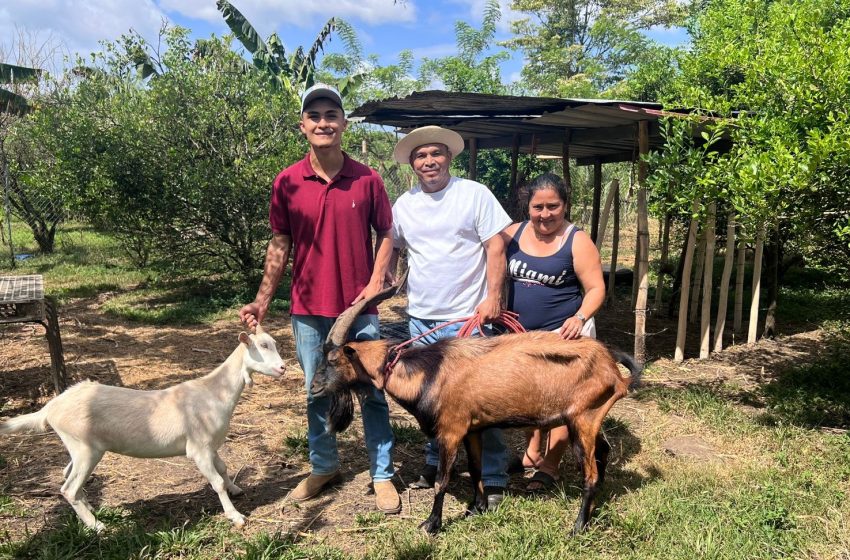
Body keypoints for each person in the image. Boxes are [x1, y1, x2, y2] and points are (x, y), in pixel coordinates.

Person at [239, 84, 401, 514]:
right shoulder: (288, 182)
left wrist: (376, 279)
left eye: (332, 114)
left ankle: (382, 474)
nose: (323, 122)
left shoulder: (367, 179)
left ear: (344, 124)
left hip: (359, 309)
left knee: (370, 390)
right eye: (315, 116)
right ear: (303, 126)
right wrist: (261, 300)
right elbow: (280, 242)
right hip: (308, 308)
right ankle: (324, 466)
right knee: (316, 391)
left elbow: (387, 232)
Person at [389, 125, 512, 508]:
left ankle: (492, 476)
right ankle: (435, 462)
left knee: (481, 401)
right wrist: (386, 278)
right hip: (422, 317)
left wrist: (493, 297)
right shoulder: (404, 204)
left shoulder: (473, 194)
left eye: (436, 153)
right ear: (412, 163)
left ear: (449, 157)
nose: (429, 161)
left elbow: (496, 245)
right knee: (430, 400)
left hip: (467, 319)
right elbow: (391, 246)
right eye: (421, 155)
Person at [499, 172, 606, 493]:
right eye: (538, 207)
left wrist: (580, 316)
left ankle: (551, 465)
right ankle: (532, 453)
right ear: (527, 207)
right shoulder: (512, 234)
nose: (545, 214)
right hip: (522, 337)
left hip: (565, 338)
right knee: (531, 398)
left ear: (565, 205)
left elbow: (596, 288)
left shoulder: (578, 240)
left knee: (562, 403)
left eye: (553, 206)